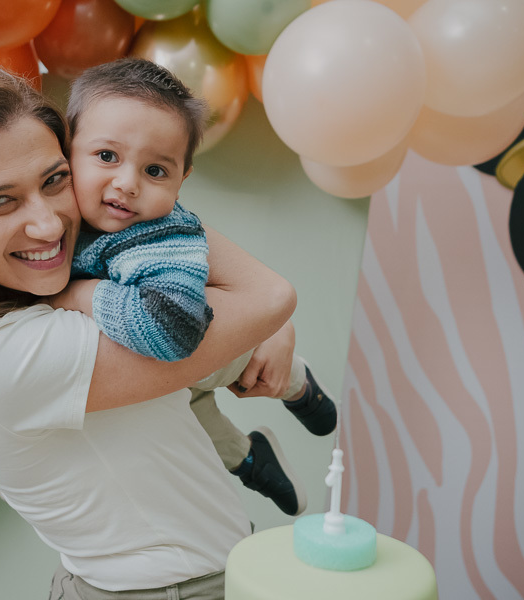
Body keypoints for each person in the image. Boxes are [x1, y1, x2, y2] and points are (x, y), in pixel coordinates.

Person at [0, 61, 298, 599]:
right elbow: (269, 297)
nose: (48, 224)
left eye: (55, 181)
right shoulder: (8, 357)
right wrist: (158, 201)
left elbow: (251, 311)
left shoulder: (42, 303)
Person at [59, 58, 337, 516]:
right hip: (157, 379)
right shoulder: (62, 228)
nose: (127, 184)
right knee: (191, 427)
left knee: (258, 371)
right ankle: (249, 460)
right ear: (68, 150)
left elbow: (169, 331)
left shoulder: (163, 235)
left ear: (181, 181)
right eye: (106, 156)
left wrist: (73, 297)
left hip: (216, 353)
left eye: (155, 171)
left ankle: (298, 385)